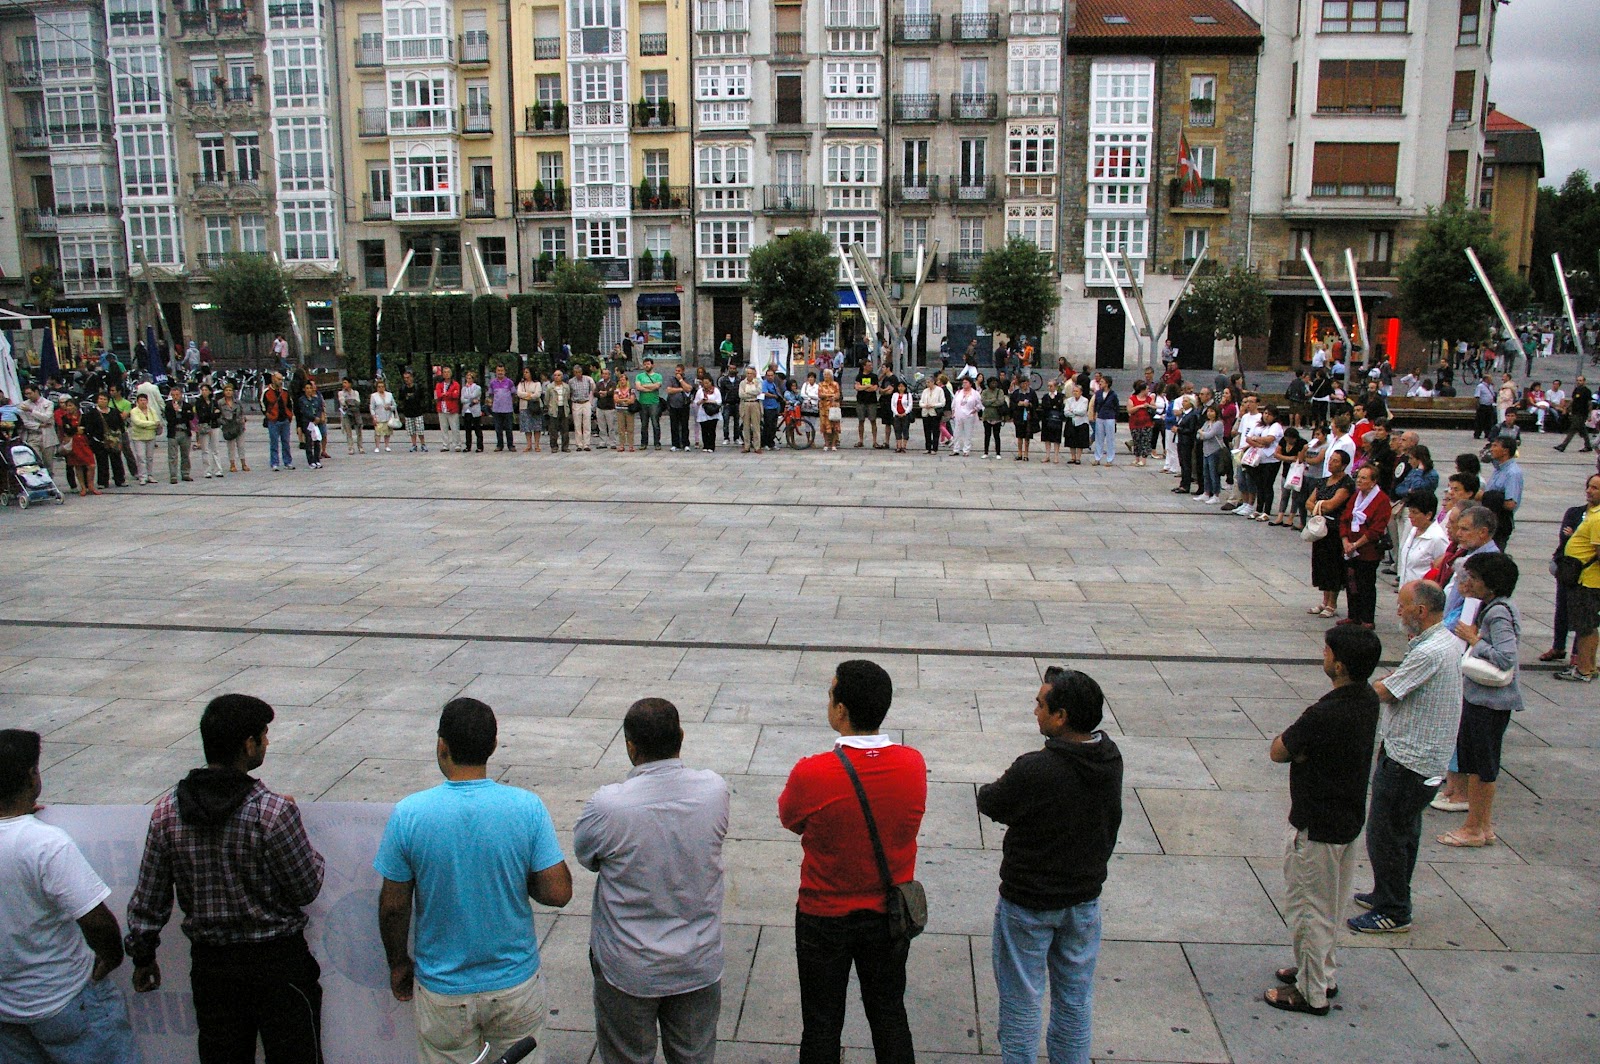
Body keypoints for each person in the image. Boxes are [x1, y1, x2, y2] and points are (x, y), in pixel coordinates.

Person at [126, 694, 327, 1060]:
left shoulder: (167, 813)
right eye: (263, 735)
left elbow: (150, 898)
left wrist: (143, 955)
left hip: (213, 969)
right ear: (248, 745)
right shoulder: (273, 812)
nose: (267, 742)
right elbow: (306, 887)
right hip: (279, 966)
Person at [376, 699, 573, 1064]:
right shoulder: (526, 807)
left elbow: (393, 906)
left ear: (441, 745)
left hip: (443, 993)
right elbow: (558, 891)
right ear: (493, 747)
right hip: (514, 987)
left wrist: (398, 962)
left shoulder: (409, 814)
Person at [778, 661, 926, 1064]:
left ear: (841, 710)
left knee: (822, 1024)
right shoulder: (912, 764)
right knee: (890, 1016)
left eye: (830, 694)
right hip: (887, 914)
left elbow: (790, 818)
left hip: (823, 915)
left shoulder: (813, 772)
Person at [978, 668, 1122, 1064]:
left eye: (1041, 704)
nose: (1035, 710)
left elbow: (991, 800)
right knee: (1074, 1000)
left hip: (1029, 903)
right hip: (1083, 901)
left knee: (1022, 1000)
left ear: (1061, 717)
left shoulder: (1036, 769)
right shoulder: (1109, 758)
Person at [574, 700, 730, 1064]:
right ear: (681, 738)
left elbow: (587, 857)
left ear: (630, 746)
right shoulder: (714, 790)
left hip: (629, 967)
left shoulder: (609, 806)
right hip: (698, 959)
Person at [1262, 625, 1382, 1015]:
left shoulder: (1323, 713)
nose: (1323, 655)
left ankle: (1310, 992)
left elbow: (1279, 750)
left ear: (1340, 665)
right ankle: (1321, 973)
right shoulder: (1366, 698)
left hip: (1315, 825)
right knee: (1329, 904)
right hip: (1346, 820)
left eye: (1327, 651)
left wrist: (1300, 754)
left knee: (1308, 909)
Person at [0, 729, 140, 1063]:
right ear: (32, 777)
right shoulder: (45, 844)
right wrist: (112, 956)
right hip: (67, 1001)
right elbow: (95, 919)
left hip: (7, 1012)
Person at [1348, 581, 1462, 934]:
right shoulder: (1439, 643)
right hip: (1420, 758)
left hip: (1410, 761)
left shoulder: (1430, 652)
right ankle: (1387, 892)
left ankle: (1394, 909)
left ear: (1421, 611)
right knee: (1404, 832)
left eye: (1402, 605)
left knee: (1386, 836)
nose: (1398, 611)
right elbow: (1403, 680)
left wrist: (1348, 695)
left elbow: (1385, 690)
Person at [1437, 553, 1522, 848]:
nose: (1467, 582)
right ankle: (1482, 826)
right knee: (1481, 765)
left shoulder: (1497, 613)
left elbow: (1506, 656)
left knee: (1480, 767)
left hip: (1488, 701)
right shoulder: (1495, 607)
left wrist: (1475, 641)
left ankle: (1473, 827)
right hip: (1483, 700)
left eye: (1474, 578)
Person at [1544, 476, 1600, 664]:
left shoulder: (1597, 517)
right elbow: (1565, 536)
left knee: (1584, 623)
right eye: (1588, 486)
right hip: (1568, 571)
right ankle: (1559, 647)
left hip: (1586, 577)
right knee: (1563, 610)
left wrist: (1575, 535)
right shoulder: (1576, 512)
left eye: (1595, 488)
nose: (1589, 491)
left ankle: (1581, 661)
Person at [1338, 465, 1392, 628]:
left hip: (1367, 550)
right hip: (1350, 549)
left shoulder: (1381, 500)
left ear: (1373, 481)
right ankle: (1353, 614)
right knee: (1351, 582)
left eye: (1364, 478)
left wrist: (1356, 544)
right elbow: (1345, 518)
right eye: (1358, 477)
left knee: (1366, 584)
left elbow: (1376, 529)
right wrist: (1346, 541)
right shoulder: (1356, 496)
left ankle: (1367, 618)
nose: (1359, 481)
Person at [1307, 449, 1355, 617]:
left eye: (1335, 461)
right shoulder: (1323, 481)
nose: (1331, 463)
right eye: (1331, 460)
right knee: (1321, 564)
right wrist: (1320, 506)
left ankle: (1332, 604)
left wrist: (1318, 506)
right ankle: (1324, 599)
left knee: (1333, 565)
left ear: (1343, 465)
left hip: (1335, 529)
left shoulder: (1346, 484)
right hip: (1321, 528)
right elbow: (1309, 502)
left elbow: (1333, 504)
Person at [1397, 490, 1448, 585]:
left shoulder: (1437, 538)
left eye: (1415, 512)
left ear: (1428, 515)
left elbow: (1441, 569)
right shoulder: (1414, 530)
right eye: (1410, 511)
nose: (1410, 516)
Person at [1483, 436, 1523, 547]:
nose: (1491, 449)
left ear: (1505, 451)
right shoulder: (1499, 469)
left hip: (1499, 522)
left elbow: (1511, 504)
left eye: (1495, 446)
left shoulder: (1512, 473)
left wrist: (1488, 497)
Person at [262, 372, 295, 469]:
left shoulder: (285, 392)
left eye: (281, 380)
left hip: (285, 420)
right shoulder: (267, 392)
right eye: (278, 379)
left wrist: (289, 416)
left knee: (286, 442)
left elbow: (290, 404)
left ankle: (287, 461)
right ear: (273, 379)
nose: (280, 382)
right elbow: (263, 404)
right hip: (273, 420)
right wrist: (267, 415)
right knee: (274, 442)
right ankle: (274, 463)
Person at [163, 385, 194, 483]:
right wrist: (179, 416)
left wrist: (180, 411)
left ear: (181, 395)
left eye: (177, 394)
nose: (175, 397)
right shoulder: (168, 406)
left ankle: (185, 473)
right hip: (174, 432)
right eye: (173, 395)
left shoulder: (186, 405)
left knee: (185, 454)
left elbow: (190, 417)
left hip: (184, 432)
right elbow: (170, 419)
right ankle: (173, 475)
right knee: (172, 455)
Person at [294, 379, 325, 469]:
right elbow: (304, 411)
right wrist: (313, 418)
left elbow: (319, 408)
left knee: (317, 441)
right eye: (307, 388)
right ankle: (310, 461)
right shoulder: (302, 400)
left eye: (310, 388)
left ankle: (317, 459)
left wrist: (318, 417)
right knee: (308, 441)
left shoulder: (316, 399)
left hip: (316, 423)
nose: (309, 390)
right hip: (308, 422)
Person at [398, 369, 430, 453]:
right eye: (405, 378)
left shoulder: (418, 387)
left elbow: (423, 398)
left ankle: (423, 444)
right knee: (411, 430)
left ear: (412, 378)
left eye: (408, 377)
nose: (406, 379)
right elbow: (401, 399)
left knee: (420, 429)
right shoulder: (402, 388)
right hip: (408, 412)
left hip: (418, 412)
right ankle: (414, 444)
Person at [635, 358, 664, 449]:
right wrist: (651, 387)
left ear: (652, 365)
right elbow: (638, 387)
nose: (646, 366)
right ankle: (644, 443)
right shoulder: (639, 376)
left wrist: (644, 386)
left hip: (654, 403)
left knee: (655, 424)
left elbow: (657, 386)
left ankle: (657, 443)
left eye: (648, 364)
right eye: (645, 364)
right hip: (642, 403)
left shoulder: (658, 376)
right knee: (644, 424)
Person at [952, 377, 984, 458]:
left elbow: (979, 404)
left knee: (968, 433)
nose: (964, 384)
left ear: (970, 383)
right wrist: (953, 412)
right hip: (958, 415)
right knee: (956, 432)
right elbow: (954, 403)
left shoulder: (975, 393)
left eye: (966, 382)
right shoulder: (959, 392)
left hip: (969, 416)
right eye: (963, 382)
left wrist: (975, 409)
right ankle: (956, 449)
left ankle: (966, 450)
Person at [489, 364, 517, 452]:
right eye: (498, 371)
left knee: (509, 428)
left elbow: (514, 394)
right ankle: (499, 445)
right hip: (497, 409)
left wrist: (510, 403)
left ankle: (510, 445)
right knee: (498, 428)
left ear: (504, 372)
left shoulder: (509, 382)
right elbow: (491, 395)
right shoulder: (492, 383)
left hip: (507, 409)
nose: (500, 372)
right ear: (496, 372)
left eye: (502, 371)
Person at [1126, 381, 1155, 467]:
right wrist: (1140, 406)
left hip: (1147, 423)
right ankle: (1137, 458)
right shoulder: (1132, 398)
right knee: (1136, 441)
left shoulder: (1149, 399)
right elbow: (1130, 410)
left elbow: (1155, 407)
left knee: (1145, 441)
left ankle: (1143, 459)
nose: (1148, 390)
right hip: (1135, 424)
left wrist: (1149, 406)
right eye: (1147, 389)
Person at [665, 364, 693, 452]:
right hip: (673, 405)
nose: (677, 373)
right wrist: (681, 389)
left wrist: (680, 380)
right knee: (674, 425)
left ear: (683, 371)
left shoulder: (688, 379)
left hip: (684, 405)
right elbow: (669, 390)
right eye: (676, 371)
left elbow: (689, 388)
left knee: (684, 425)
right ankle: (675, 444)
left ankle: (685, 443)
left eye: (679, 371)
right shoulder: (671, 379)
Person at [434, 365, 462, 453]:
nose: (446, 374)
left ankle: (457, 444)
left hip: (452, 409)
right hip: (442, 409)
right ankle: (445, 445)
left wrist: (446, 394)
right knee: (443, 428)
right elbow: (438, 395)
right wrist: (449, 393)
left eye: (448, 372)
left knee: (455, 428)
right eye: (444, 372)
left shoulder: (455, 384)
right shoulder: (439, 384)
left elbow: (456, 395)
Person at [1091, 377, 1118, 466]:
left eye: (1102, 382)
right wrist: (1094, 413)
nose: (1100, 383)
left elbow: (1116, 406)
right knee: (1099, 438)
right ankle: (1097, 458)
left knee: (1110, 438)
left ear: (1107, 383)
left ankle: (1110, 459)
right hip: (1100, 416)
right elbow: (1096, 404)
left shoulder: (1113, 394)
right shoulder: (1098, 393)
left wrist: (1115, 417)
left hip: (1110, 417)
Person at [569, 363, 596, 452]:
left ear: (582, 372)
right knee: (577, 424)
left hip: (586, 402)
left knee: (587, 423)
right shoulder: (571, 381)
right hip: (576, 403)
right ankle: (579, 444)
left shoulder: (588, 379)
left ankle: (586, 444)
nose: (578, 374)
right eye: (576, 372)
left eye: (579, 372)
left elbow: (593, 390)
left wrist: (591, 402)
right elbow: (569, 393)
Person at [516, 368, 544, 452]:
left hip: (535, 406)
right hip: (524, 406)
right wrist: (529, 394)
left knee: (536, 426)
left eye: (527, 372)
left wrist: (527, 396)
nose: (525, 374)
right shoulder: (521, 383)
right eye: (524, 372)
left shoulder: (537, 383)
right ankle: (528, 445)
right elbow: (519, 393)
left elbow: (537, 394)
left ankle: (537, 445)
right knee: (527, 427)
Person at [918, 372, 946, 455]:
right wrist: (924, 405)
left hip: (934, 413)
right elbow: (921, 402)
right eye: (926, 382)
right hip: (926, 413)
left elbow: (942, 402)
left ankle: (934, 448)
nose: (927, 384)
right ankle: (928, 447)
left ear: (933, 382)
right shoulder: (925, 391)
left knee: (935, 431)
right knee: (927, 431)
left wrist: (933, 405)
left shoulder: (939, 390)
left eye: (929, 382)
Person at [336, 377, 365, 456]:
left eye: (345, 382)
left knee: (358, 430)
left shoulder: (355, 392)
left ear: (350, 384)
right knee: (348, 431)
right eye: (343, 383)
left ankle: (360, 446)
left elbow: (358, 402)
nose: (344, 384)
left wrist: (350, 402)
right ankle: (350, 447)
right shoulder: (341, 393)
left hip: (355, 412)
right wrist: (350, 402)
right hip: (346, 413)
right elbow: (343, 402)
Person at [692, 375, 721, 453]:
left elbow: (719, 401)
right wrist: (701, 401)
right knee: (704, 430)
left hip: (713, 412)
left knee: (711, 429)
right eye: (704, 383)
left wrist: (708, 401)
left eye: (707, 383)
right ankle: (705, 445)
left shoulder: (715, 390)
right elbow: (695, 402)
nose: (706, 385)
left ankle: (711, 446)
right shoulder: (700, 391)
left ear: (711, 382)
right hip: (702, 412)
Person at [369, 378, 398, 454]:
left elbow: (394, 405)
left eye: (382, 386)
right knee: (378, 432)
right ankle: (377, 446)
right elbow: (372, 407)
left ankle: (387, 445)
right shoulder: (373, 396)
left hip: (388, 416)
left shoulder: (389, 395)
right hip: (378, 416)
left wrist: (390, 407)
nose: (381, 388)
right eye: (379, 386)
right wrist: (373, 416)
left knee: (387, 432)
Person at [546, 369, 572, 453]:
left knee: (565, 429)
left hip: (563, 408)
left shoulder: (566, 386)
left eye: (558, 375)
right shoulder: (550, 387)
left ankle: (565, 446)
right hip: (554, 409)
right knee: (553, 429)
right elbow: (547, 399)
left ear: (562, 376)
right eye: (555, 375)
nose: (556, 377)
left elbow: (568, 397)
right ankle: (554, 446)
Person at [855, 364, 880, 449]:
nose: (871, 367)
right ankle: (861, 440)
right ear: (864, 366)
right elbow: (857, 387)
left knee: (873, 420)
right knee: (861, 421)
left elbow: (874, 388)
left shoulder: (874, 376)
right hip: (861, 401)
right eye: (869, 365)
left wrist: (863, 387)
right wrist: (868, 386)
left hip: (871, 401)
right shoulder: (859, 376)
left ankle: (874, 441)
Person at [738, 367, 763, 453]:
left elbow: (758, 391)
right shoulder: (742, 383)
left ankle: (757, 446)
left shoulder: (757, 382)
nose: (749, 375)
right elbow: (741, 395)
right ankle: (746, 446)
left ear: (754, 374)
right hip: (745, 404)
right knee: (746, 426)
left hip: (755, 403)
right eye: (747, 373)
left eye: (751, 373)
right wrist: (752, 393)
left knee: (756, 426)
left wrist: (748, 392)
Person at [460, 370, 485, 453]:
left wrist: (468, 398)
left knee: (477, 429)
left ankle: (480, 446)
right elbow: (462, 399)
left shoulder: (477, 387)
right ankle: (468, 446)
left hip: (475, 411)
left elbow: (474, 395)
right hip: (466, 411)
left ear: (473, 379)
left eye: (470, 378)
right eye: (467, 378)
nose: (468, 380)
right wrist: (470, 400)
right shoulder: (464, 388)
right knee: (467, 430)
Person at [818, 368, 842, 451]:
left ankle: (834, 444)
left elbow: (837, 395)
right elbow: (820, 394)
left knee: (834, 425)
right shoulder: (821, 384)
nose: (826, 376)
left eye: (827, 375)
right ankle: (826, 443)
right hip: (823, 407)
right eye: (824, 375)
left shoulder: (835, 384)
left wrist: (829, 395)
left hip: (833, 407)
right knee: (824, 425)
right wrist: (831, 395)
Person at [594, 368, 618, 450]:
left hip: (610, 407)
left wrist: (606, 393)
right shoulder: (599, 384)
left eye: (606, 374)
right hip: (600, 407)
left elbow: (613, 392)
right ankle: (603, 442)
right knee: (601, 426)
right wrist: (600, 394)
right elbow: (595, 393)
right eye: (603, 374)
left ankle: (613, 442)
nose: (604, 375)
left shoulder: (613, 383)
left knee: (611, 426)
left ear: (609, 375)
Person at [760, 367, 783, 450]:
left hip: (775, 407)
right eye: (768, 375)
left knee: (773, 427)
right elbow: (765, 393)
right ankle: (765, 443)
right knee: (768, 426)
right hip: (767, 408)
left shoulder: (773, 384)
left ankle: (771, 443)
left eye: (772, 375)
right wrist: (774, 396)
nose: (770, 377)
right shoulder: (764, 383)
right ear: (766, 376)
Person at [889, 381, 913, 453]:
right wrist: (896, 413)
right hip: (897, 415)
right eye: (899, 386)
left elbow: (910, 405)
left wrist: (905, 413)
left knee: (905, 429)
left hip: (905, 415)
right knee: (897, 430)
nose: (900, 388)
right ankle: (898, 446)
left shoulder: (908, 395)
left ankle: (904, 446)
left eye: (902, 386)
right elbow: (892, 405)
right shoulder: (895, 395)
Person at [614, 376, 637, 453]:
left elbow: (632, 400)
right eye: (620, 380)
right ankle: (622, 445)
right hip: (620, 411)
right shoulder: (617, 390)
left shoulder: (631, 390)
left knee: (630, 428)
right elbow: (616, 399)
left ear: (627, 381)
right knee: (621, 428)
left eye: (623, 380)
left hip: (629, 411)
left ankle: (631, 445)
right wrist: (626, 399)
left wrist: (621, 400)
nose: (622, 381)